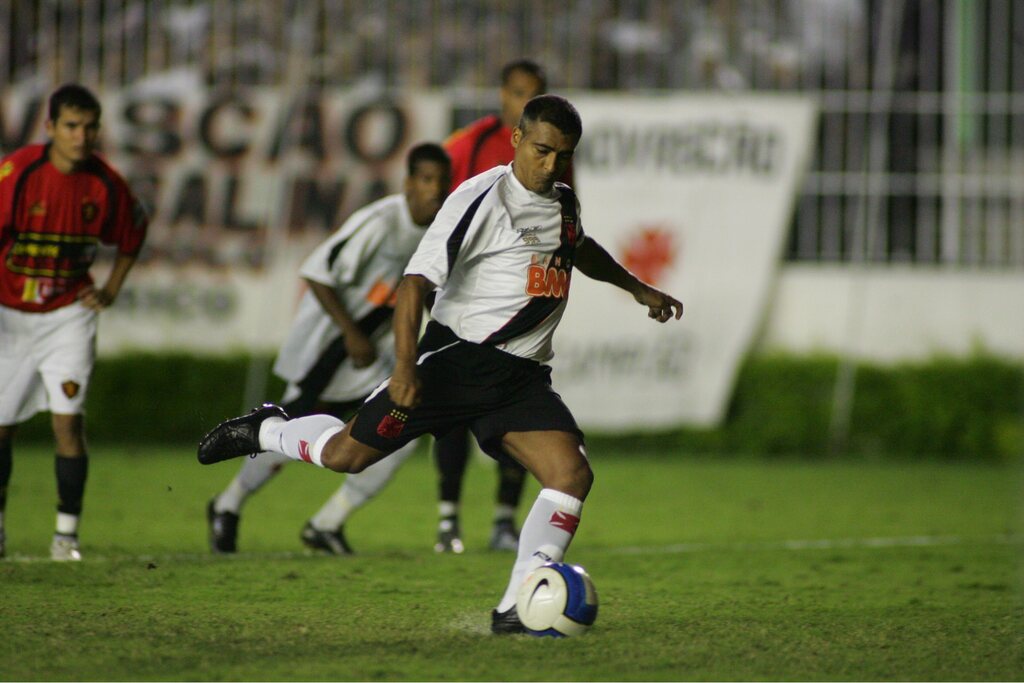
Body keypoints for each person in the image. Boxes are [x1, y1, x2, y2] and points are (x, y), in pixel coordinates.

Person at [196, 94, 682, 634]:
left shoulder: (564, 202)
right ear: (518, 139)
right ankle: (266, 430)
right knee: (344, 456)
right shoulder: (481, 199)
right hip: (455, 364)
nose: (550, 166)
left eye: (562, 156)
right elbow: (413, 284)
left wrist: (636, 287)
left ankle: (515, 609)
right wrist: (405, 368)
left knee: (571, 475)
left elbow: (577, 248)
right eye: (542, 151)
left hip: (520, 379)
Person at [206, 142, 452, 555]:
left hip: (371, 357)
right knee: (287, 433)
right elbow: (317, 273)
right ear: (408, 182)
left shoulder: (439, 231)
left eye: (442, 182)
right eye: (426, 180)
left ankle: (327, 523)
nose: (435, 191)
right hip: (328, 348)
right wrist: (352, 333)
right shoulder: (380, 222)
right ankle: (227, 505)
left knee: (401, 430)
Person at [0, 84, 148, 561]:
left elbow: (133, 233)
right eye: (70, 126)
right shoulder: (19, 174)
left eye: (88, 127)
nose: (80, 136)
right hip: (9, 315)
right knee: (2, 427)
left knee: (68, 425)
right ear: (49, 128)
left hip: (68, 316)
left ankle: (66, 538)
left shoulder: (105, 184)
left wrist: (111, 289)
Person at [434, 58, 574, 554]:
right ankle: (448, 517)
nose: (522, 100)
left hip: (517, 309)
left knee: (522, 404)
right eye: (516, 92)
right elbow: (438, 200)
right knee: (370, 444)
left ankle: (502, 521)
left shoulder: (555, 152)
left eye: (532, 92)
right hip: (462, 302)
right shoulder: (468, 145)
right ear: (503, 98)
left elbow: (562, 223)